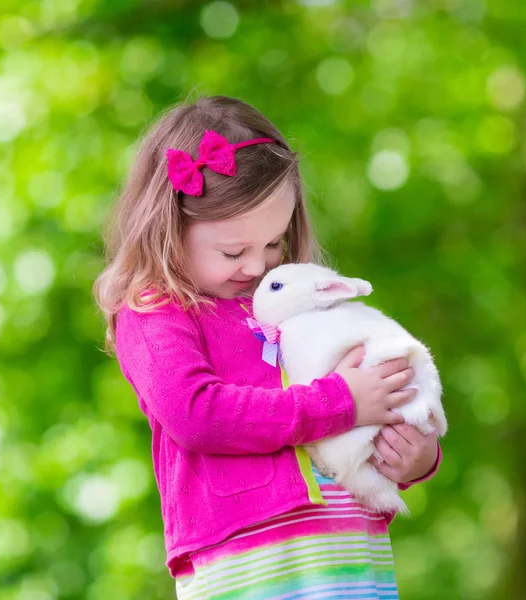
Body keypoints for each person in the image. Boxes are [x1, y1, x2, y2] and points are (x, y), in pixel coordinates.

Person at [94, 95, 441, 599]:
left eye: (274, 243)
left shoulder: (290, 300)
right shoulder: (155, 312)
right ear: (169, 229)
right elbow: (197, 414)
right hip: (251, 559)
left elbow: (371, 390)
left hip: (350, 550)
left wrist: (416, 455)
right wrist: (340, 401)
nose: (257, 267)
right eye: (234, 251)